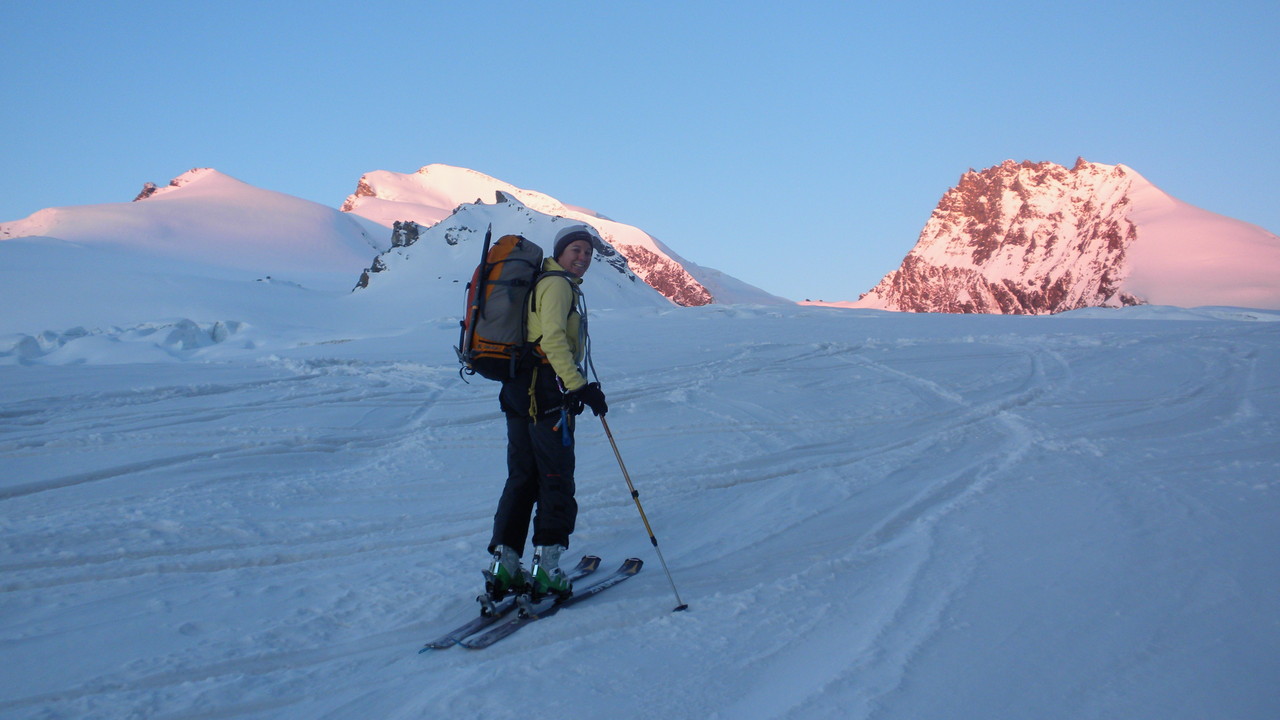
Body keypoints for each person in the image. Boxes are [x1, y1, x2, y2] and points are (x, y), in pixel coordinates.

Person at [483, 225, 608, 608]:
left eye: (588, 253)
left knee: (522, 477)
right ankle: (547, 569)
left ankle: (505, 566)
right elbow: (553, 338)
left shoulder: (549, 282)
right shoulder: (556, 285)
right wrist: (578, 386)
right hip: (545, 392)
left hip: (520, 390)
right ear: (560, 252)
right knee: (554, 476)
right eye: (576, 250)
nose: (583, 257)